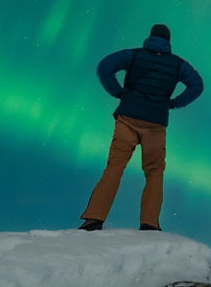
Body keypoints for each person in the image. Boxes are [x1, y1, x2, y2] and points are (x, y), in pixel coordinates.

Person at [79, 24, 203, 231]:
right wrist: (173, 103)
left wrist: (118, 92)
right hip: (156, 124)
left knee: (114, 168)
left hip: (127, 119)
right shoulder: (177, 64)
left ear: (151, 36)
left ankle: (93, 219)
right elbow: (197, 85)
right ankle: (149, 224)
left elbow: (104, 67)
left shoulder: (134, 55)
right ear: (168, 41)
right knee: (154, 172)